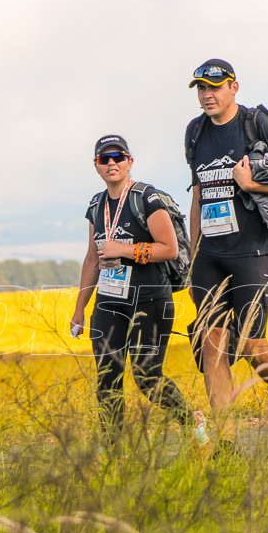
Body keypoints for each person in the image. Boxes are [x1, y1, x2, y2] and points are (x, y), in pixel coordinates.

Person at [184, 59, 268, 450]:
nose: (207, 95)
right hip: (208, 256)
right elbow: (198, 195)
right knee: (212, 342)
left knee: (251, 344)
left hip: (250, 252)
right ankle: (226, 442)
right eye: (200, 88)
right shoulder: (194, 131)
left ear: (234, 88)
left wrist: (250, 183)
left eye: (214, 87)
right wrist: (193, 255)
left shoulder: (255, 123)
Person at [71, 134, 208, 451]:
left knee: (147, 376)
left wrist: (126, 249)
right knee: (107, 377)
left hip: (150, 298)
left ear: (130, 162)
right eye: (104, 159)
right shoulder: (96, 206)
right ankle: (113, 452)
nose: (112, 163)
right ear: (97, 166)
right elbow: (93, 258)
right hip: (109, 301)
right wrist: (80, 309)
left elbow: (170, 249)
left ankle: (192, 422)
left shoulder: (146, 198)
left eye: (118, 157)